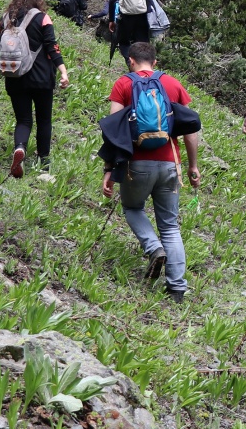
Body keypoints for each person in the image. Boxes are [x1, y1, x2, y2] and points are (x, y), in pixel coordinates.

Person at [101, 42, 200, 303]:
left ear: (130, 60)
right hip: (170, 163)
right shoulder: (172, 84)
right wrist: (192, 165)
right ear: (155, 62)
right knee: (169, 226)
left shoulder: (123, 84)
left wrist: (109, 170)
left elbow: (114, 132)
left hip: (137, 165)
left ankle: (153, 247)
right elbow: (190, 129)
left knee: (133, 209)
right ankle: (177, 289)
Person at [0, 0, 69, 178]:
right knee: (44, 120)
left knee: (23, 120)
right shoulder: (42, 18)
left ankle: (19, 148)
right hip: (41, 78)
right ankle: (43, 163)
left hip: (14, 76)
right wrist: (63, 71)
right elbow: (52, 46)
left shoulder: (5, 19)